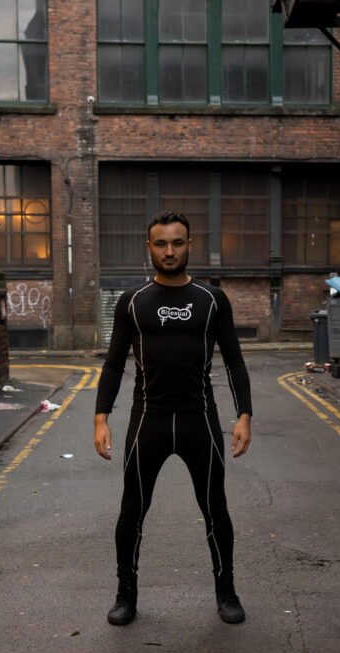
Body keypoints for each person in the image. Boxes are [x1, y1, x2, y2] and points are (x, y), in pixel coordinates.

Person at [93, 211, 252, 626]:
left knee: (216, 508)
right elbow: (113, 365)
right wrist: (101, 418)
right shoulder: (132, 302)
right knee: (132, 511)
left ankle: (226, 592)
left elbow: (234, 360)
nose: (169, 251)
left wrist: (244, 415)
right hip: (150, 420)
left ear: (189, 245)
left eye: (177, 242)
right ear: (149, 247)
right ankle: (125, 594)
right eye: (161, 243)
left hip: (200, 418)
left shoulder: (212, 299)